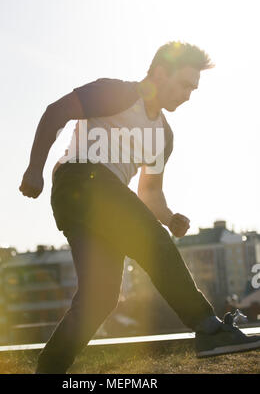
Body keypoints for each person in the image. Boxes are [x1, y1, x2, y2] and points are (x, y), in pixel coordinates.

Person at [19, 42, 260, 374]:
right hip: (80, 181)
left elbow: (149, 194)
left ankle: (49, 369)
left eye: (194, 88)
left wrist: (169, 216)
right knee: (150, 241)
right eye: (184, 84)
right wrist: (35, 168)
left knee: (100, 299)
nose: (189, 95)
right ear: (160, 72)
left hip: (105, 204)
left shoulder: (163, 135)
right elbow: (55, 112)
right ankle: (208, 328)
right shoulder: (118, 93)